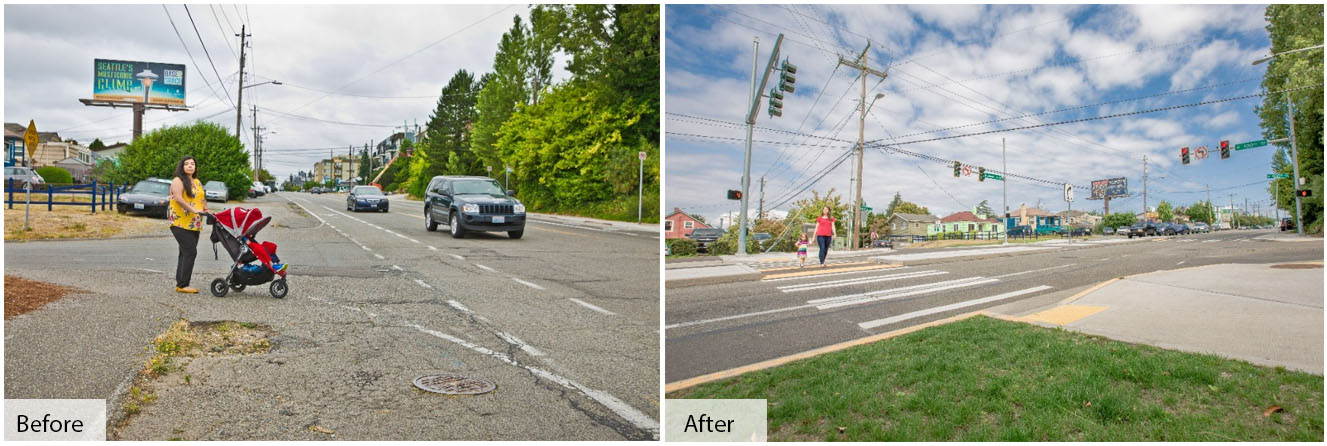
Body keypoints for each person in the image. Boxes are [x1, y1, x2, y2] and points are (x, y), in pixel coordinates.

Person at [168, 156, 208, 293]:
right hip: (179, 222)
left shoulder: (197, 182)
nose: (190, 166)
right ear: (182, 166)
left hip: (194, 223)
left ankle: (180, 284)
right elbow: (178, 198)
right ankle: (184, 285)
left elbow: (202, 198)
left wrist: (205, 209)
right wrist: (193, 210)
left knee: (184, 253)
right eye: (187, 164)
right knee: (190, 252)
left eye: (192, 164)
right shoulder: (177, 180)